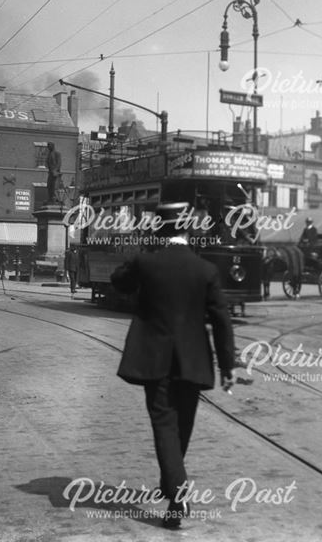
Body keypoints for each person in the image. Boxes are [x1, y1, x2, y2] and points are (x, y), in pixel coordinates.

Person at [110, 202, 235, 529]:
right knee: (182, 428)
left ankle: (176, 493)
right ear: (187, 230)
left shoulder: (147, 263)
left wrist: (141, 253)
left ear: (159, 230)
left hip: (155, 362)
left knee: (165, 426)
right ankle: (172, 484)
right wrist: (229, 367)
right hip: (194, 363)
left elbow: (118, 280)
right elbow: (222, 320)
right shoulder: (205, 270)